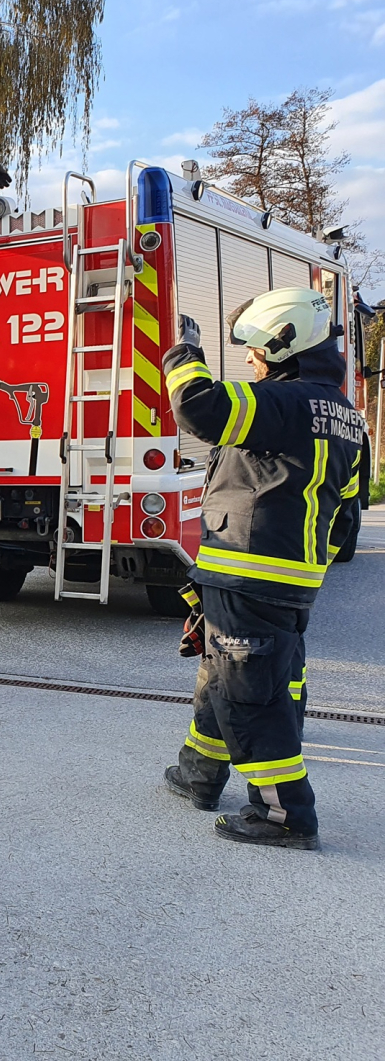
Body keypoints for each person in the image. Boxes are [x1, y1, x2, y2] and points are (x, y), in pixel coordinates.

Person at [163, 289, 364, 850]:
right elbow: (344, 512)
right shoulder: (346, 417)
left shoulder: (283, 403)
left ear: (286, 344)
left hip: (250, 573)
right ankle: (200, 773)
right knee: (233, 675)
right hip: (278, 581)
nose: (251, 361)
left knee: (252, 694)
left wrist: (182, 353)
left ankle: (285, 816)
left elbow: (199, 408)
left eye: (257, 350)